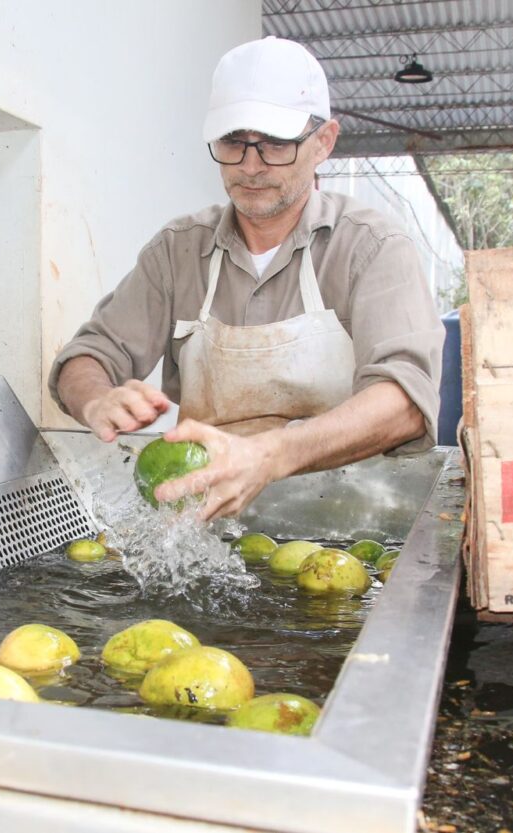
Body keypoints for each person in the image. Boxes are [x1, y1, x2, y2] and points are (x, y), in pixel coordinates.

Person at [49, 36, 444, 522]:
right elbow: (86, 356)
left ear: (324, 142)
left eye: (275, 144)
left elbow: (404, 401)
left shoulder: (371, 248)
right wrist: (96, 399)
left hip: (349, 526)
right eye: (233, 143)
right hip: (208, 534)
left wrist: (270, 455)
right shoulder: (178, 251)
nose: (251, 166)